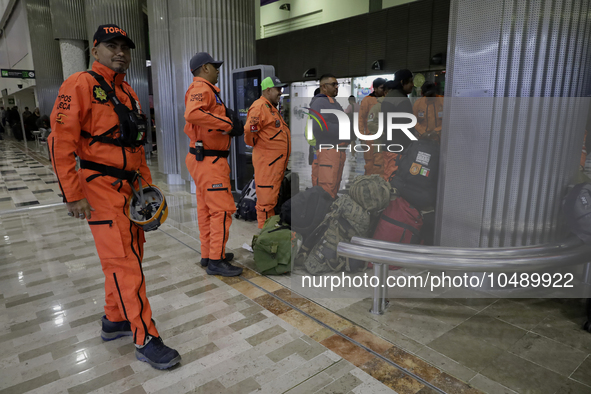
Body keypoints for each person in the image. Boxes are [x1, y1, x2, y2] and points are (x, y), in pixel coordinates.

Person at [49, 24, 181, 370]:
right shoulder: (79, 85)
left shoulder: (128, 94)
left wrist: (147, 192)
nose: (120, 52)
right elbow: (60, 142)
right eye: (112, 46)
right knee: (125, 263)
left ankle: (114, 319)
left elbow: (136, 147)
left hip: (130, 188)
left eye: (125, 46)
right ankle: (145, 336)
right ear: (95, 50)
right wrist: (72, 195)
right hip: (99, 189)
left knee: (129, 256)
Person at [184, 52, 244, 276]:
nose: (218, 70)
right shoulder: (202, 88)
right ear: (205, 68)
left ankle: (209, 254)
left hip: (203, 159)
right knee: (221, 211)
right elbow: (192, 113)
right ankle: (216, 261)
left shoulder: (204, 90)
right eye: (215, 66)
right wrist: (227, 123)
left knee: (206, 209)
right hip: (210, 160)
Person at [244, 76, 291, 228]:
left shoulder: (270, 108)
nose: (280, 92)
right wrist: (257, 145)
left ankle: (270, 236)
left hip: (274, 165)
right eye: (278, 89)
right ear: (268, 90)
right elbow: (249, 133)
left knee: (271, 203)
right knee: (265, 205)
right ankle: (264, 240)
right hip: (267, 166)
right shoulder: (259, 107)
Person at [311, 74, 348, 198]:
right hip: (328, 152)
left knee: (333, 187)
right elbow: (318, 126)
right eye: (333, 84)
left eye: (337, 84)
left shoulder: (332, 102)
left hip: (337, 152)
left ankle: (330, 214)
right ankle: (323, 215)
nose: (336, 87)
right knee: (327, 189)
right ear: (323, 86)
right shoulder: (320, 102)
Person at [380, 70, 415, 181]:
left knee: (389, 175)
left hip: (390, 144)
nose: (412, 85)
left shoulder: (391, 96)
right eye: (410, 82)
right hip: (399, 147)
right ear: (402, 82)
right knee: (394, 178)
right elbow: (406, 126)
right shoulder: (401, 99)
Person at [358, 78, 386, 175]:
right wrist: (362, 138)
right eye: (382, 88)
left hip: (382, 138)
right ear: (375, 88)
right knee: (370, 165)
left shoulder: (385, 100)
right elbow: (361, 119)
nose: (384, 90)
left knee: (381, 164)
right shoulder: (367, 100)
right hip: (370, 138)